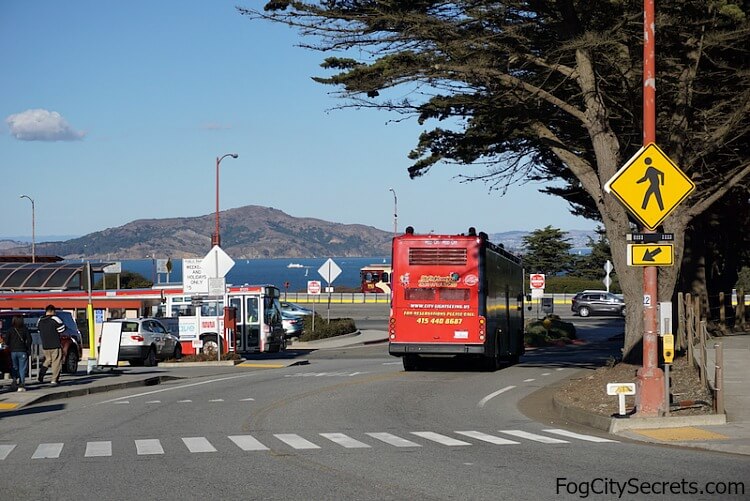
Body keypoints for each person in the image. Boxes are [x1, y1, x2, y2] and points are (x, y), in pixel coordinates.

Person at [37, 304, 65, 385]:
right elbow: (62, 329)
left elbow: (39, 331)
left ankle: (41, 375)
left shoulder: (40, 320)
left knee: (47, 360)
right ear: (53, 311)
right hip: (55, 344)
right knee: (56, 362)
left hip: (45, 345)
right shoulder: (55, 318)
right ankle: (54, 379)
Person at [4, 316, 32, 392]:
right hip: (22, 351)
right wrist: (28, 348)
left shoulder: (10, 330)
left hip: (13, 351)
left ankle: (14, 380)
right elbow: (29, 340)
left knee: (14, 367)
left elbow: (6, 341)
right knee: (22, 368)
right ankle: (21, 384)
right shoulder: (25, 329)